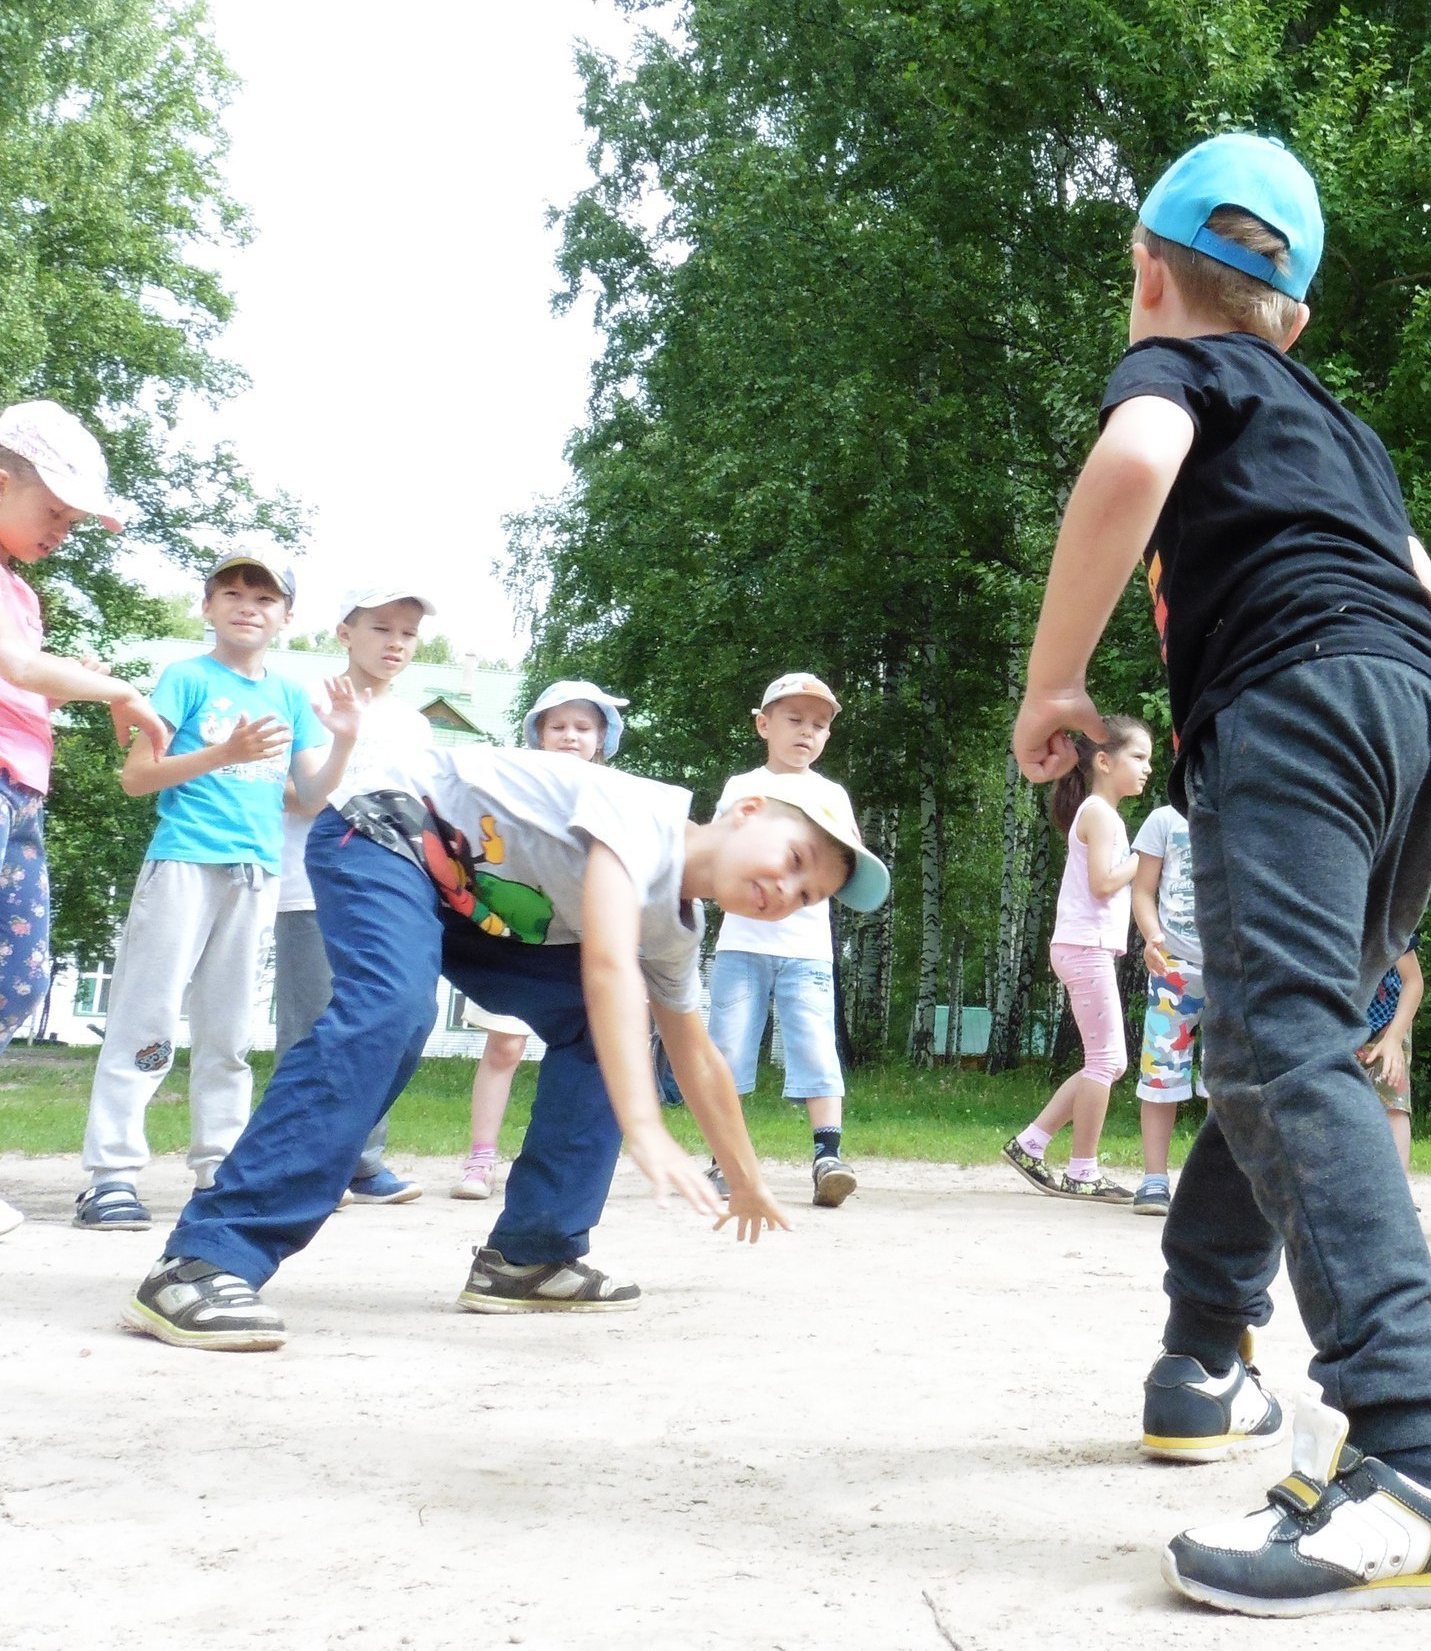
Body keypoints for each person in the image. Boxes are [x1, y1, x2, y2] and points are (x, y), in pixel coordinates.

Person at [1011, 133, 1431, 1615]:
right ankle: (1205, 1358)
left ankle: (1415, 1462)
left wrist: (1055, 683)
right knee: (1282, 1040)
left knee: (1277, 1046)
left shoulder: (1180, 373)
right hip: (1426, 723)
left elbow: (1135, 463)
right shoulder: (1333, 421)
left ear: (1148, 270)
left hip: (1297, 705)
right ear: (1288, 310)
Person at [117, 742, 889, 1349]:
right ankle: (207, 1258)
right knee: (392, 1009)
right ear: (746, 810)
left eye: (808, 894)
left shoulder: (676, 929)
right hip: (388, 829)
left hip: (468, 902)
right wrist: (646, 1127)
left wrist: (748, 1177)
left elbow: (698, 1054)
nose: (788, 891)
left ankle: (531, 1253)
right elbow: (607, 964)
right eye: (793, 861)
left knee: (614, 1032)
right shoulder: (643, 815)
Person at [75, 548, 352, 1231]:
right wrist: (222, 755)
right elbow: (139, 777)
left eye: (263, 599)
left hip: (255, 874)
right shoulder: (185, 678)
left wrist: (343, 743)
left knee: (229, 1033)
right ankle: (111, 1174)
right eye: (231, 592)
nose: (246, 606)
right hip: (184, 865)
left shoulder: (289, 696)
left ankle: (217, 1170)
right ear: (207, 607)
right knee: (147, 1017)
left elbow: (311, 797)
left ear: (287, 617)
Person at [0, 400, 172, 1241]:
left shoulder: (19, 591)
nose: (64, 531)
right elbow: (17, 665)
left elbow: (30, 673)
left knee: (19, 981)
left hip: (20, 796)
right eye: (55, 512)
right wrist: (118, 689)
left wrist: (93, 679)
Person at [273, 587, 437, 1208]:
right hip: (311, 887)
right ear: (345, 632)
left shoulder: (415, 723)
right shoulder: (307, 700)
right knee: (314, 1025)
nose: (395, 643)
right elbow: (290, 792)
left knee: (390, 1019)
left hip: (394, 893)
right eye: (382, 628)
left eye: (408, 633)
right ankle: (300, 1164)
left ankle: (362, 1162)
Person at [450, 677, 630, 1200]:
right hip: (516, 937)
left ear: (602, 738)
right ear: (539, 733)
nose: (570, 736)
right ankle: (481, 1158)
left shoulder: (613, 791)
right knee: (504, 1046)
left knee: (587, 1052)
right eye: (558, 726)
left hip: (581, 945)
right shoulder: (518, 782)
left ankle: (556, 1168)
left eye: (582, 727)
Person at [706, 674, 861, 1208]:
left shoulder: (831, 796)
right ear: (763, 724)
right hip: (741, 944)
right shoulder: (740, 787)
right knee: (726, 1047)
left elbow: (847, 867)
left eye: (818, 725)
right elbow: (719, 854)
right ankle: (724, 1158)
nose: (806, 732)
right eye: (794, 720)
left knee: (817, 1046)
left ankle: (828, 1157)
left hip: (808, 950)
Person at [1003, 715, 1151, 1204]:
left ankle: (1031, 1144)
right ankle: (1082, 1171)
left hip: (1087, 946)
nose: (1147, 768)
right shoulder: (1100, 813)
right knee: (1108, 1061)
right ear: (1104, 762)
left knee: (1107, 1062)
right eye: (1139, 757)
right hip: (1084, 946)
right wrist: (1147, 860)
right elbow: (1104, 883)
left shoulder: (1103, 813)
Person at [1130, 800, 1204, 1216]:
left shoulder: (1247, 809)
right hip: (1172, 969)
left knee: (1228, 1080)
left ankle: (1221, 1186)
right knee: (1161, 1072)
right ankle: (1154, 1180)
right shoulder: (1164, 819)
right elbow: (1142, 890)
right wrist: (1152, 936)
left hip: (1235, 971)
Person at [1360, 937, 1425, 1172]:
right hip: (1340, 1023)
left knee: (1393, 1103)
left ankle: (1397, 1194)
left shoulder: (1386, 913)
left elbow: (1414, 981)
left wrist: (1394, 1038)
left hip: (1389, 1022)